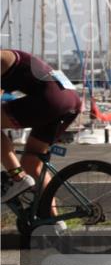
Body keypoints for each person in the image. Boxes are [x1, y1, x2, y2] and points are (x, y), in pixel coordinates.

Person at [1, 49, 82, 207]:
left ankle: (18, 178)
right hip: (70, 98)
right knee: (31, 163)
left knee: (24, 173)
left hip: (52, 99)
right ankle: (52, 223)